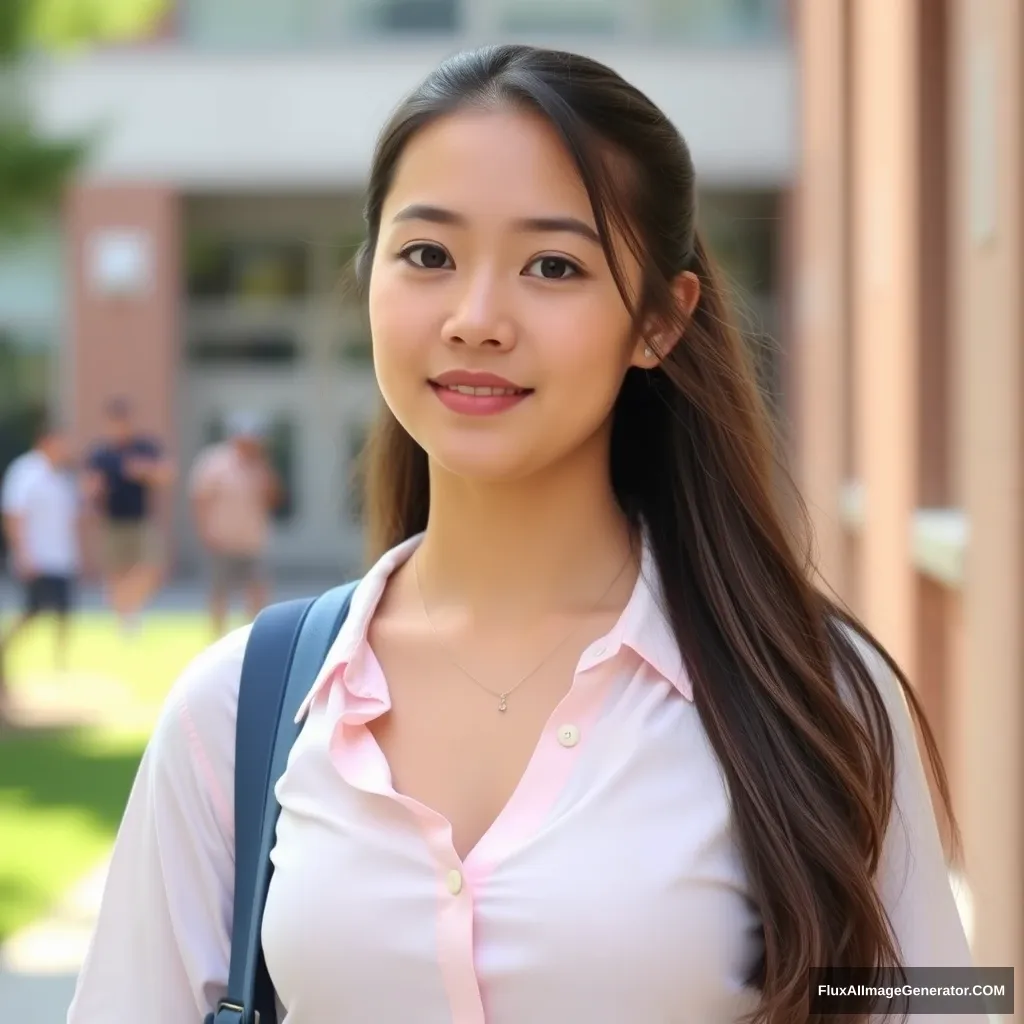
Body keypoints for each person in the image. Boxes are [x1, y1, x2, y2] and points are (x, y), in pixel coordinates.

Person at [69, 45, 981, 1024]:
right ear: (368, 272)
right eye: (427, 255)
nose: (475, 318)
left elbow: (932, 1002)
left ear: (660, 323)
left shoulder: (814, 692)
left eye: (553, 265)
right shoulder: (238, 711)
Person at [0, 421, 81, 719]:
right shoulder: (25, 472)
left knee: (65, 615)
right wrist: (23, 554)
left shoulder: (61, 477)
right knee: (31, 614)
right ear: (47, 441)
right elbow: (13, 514)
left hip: (61, 559)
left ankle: (60, 670)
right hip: (37, 560)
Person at [83, 397, 173, 634]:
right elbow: (89, 487)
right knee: (116, 571)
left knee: (152, 568)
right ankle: (126, 621)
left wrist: (143, 471)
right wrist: (94, 493)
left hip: (140, 520)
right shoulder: (101, 453)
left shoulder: (144, 447)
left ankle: (127, 606)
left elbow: (166, 475)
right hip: (113, 521)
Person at [189, 413, 281, 638]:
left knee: (257, 590)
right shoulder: (215, 462)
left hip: (252, 540)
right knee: (220, 592)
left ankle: (255, 636)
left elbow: (274, 500)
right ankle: (216, 637)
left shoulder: (260, 466)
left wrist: (266, 471)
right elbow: (200, 498)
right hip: (222, 539)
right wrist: (205, 531)